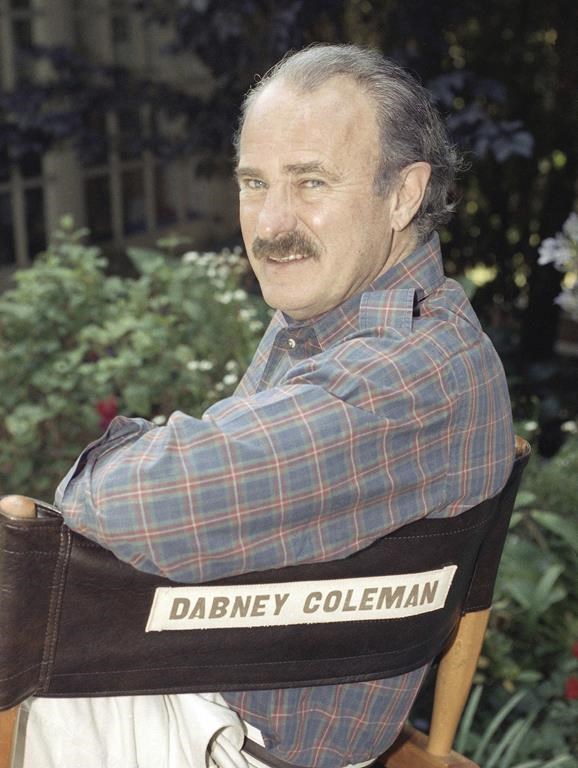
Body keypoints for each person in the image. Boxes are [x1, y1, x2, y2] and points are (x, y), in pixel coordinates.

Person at [15, 43, 515, 768]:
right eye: (255, 182)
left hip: (230, 733)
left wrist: (137, 451)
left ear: (403, 194)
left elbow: (118, 502)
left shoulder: (395, 382)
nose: (273, 223)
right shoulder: (356, 317)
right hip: (205, 677)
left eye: (311, 182)